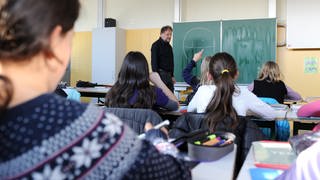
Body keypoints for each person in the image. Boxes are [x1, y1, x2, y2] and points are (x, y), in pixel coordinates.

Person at [0, 1, 190, 179]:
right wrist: (158, 139)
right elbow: (177, 173)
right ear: (54, 41)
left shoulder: (113, 96)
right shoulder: (90, 130)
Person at [187, 53, 276, 120]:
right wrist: (249, 110)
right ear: (236, 74)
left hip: (203, 143)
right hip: (233, 143)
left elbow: (190, 110)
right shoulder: (243, 94)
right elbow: (271, 115)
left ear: (209, 75)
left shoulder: (202, 91)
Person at [105, 51, 179, 111]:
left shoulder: (112, 92)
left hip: (121, 129)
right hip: (145, 129)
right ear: (145, 71)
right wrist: (159, 82)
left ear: (124, 71)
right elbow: (176, 106)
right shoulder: (153, 93)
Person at [151, 25, 175, 92]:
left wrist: (172, 76)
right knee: (162, 96)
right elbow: (154, 63)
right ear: (161, 34)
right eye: (167, 34)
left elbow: (171, 62)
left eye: (170, 34)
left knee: (171, 95)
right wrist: (157, 78)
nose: (170, 36)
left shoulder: (169, 47)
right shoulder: (155, 45)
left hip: (169, 76)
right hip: (161, 75)